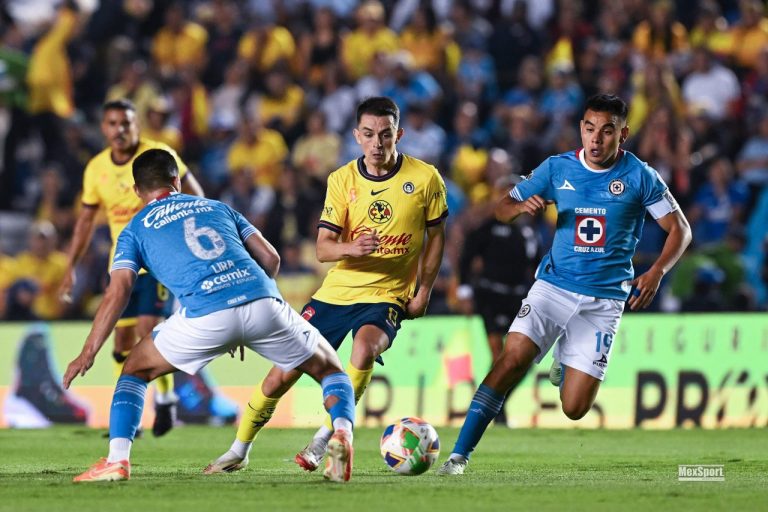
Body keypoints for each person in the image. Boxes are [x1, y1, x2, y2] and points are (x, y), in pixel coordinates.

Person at [63, 149, 356, 483]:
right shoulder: (217, 207)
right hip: (262, 301)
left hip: (206, 315)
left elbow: (118, 292)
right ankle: (342, 433)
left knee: (135, 369)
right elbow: (271, 258)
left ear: (136, 191)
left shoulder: (134, 229)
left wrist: (88, 351)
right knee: (331, 370)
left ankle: (117, 460)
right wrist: (248, 313)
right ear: (176, 180)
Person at [437, 94, 691, 475]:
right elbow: (502, 207)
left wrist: (656, 272)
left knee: (574, 408)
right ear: (581, 129)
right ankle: (458, 456)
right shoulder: (557, 169)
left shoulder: (640, 176)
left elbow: (680, 230)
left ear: (623, 134)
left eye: (607, 131)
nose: (596, 139)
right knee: (509, 360)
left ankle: (563, 355)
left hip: (603, 302)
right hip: (553, 288)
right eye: (589, 129)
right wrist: (520, 207)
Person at [205, 96, 448, 474]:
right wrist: (353, 247)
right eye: (369, 134)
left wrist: (424, 290)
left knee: (365, 349)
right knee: (283, 373)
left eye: (385, 135)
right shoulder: (342, 179)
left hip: (387, 293)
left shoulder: (425, 178)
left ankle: (326, 439)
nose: (377, 143)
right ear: (356, 136)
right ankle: (239, 449)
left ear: (399, 135)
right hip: (336, 293)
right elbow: (322, 249)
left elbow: (437, 237)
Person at [58, 99, 204, 437]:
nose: (119, 130)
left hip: (159, 261)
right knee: (122, 338)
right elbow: (85, 220)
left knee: (149, 328)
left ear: (136, 125)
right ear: (103, 128)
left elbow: (195, 195)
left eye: (125, 123)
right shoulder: (96, 168)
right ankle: (126, 418)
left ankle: (165, 399)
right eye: (112, 123)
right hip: (123, 263)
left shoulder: (158, 155)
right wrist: (70, 266)